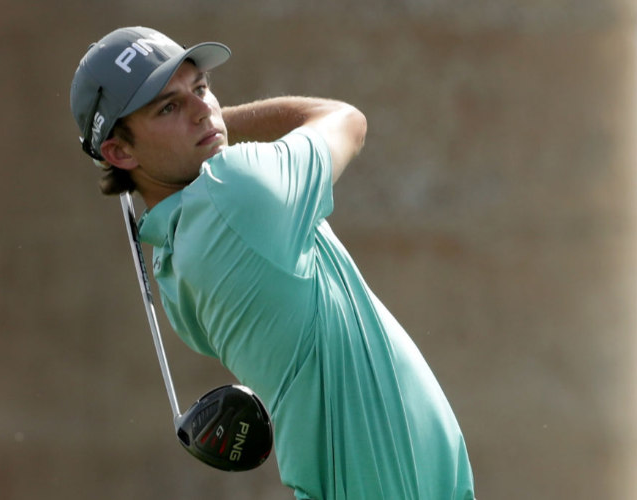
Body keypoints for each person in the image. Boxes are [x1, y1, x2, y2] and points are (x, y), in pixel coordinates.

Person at [70, 26, 475, 500]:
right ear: (120, 152)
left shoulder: (172, 268)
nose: (203, 108)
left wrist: (203, 126)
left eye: (200, 88)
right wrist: (222, 126)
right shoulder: (233, 188)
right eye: (169, 107)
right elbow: (344, 119)